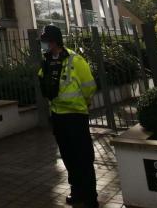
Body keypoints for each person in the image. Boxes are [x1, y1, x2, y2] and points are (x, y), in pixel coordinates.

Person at [38, 25, 99, 208]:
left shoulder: (75, 60)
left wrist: (86, 101)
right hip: (58, 116)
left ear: (54, 41)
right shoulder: (47, 61)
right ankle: (77, 191)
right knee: (68, 157)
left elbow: (89, 86)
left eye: (45, 41)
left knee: (83, 157)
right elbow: (44, 81)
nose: (43, 45)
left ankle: (90, 197)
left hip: (76, 116)